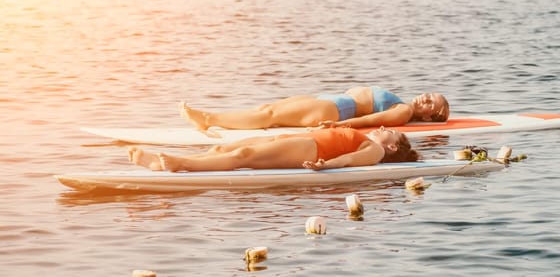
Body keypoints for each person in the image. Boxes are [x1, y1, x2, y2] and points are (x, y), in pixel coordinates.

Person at [128, 126, 419, 172]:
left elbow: (351, 159)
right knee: (222, 147)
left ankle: (182, 164)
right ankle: (160, 164)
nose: (380, 128)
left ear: (393, 146)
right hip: (301, 138)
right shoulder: (367, 138)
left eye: (387, 131)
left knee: (244, 157)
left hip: (308, 149)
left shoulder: (378, 151)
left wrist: (325, 165)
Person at [179, 86, 449, 130]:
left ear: (430, 115)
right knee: (267, 108)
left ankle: (208, 119)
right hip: (329, 100)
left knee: (269, 116)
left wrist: (339, 126)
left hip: (336, 111)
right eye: (429, 94)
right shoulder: (403, 103)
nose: (425, 98)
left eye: (431, 102)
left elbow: (372, 121)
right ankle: (215, 118)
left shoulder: (402, 111)